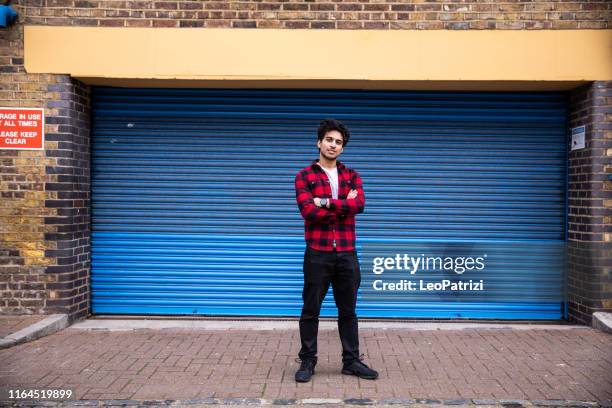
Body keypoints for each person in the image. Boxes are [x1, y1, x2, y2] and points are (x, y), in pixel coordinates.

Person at [293, 118, 378, 383]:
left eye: (338, 142)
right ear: (319, 143)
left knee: (348, 311)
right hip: (317, 253)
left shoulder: (352, 175)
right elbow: (308, 211)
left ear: (342, 148)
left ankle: (351, 362)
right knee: (310, 310)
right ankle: (307, 361)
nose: (333, 145)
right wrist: (343, 204)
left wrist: (326, 202)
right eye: (329, 140)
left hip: (347, 253)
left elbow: (360, 205)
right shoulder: (304, 176)